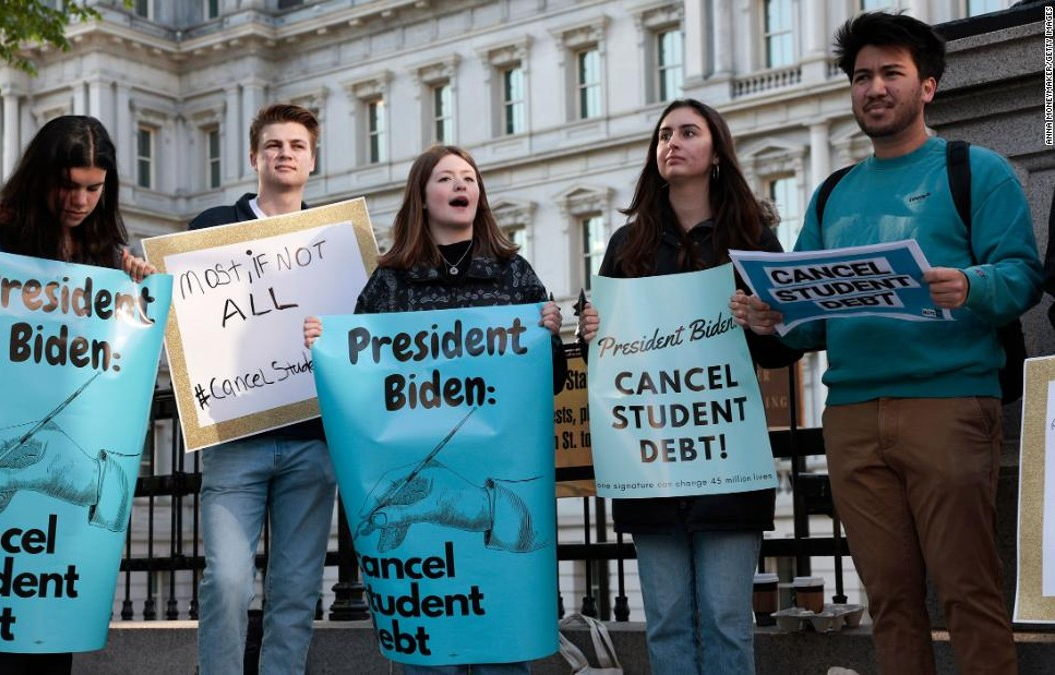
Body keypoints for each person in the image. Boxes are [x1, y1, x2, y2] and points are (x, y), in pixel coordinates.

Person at [732, 12, 1041, 675]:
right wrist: (772, 320)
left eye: (891, 73)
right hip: (850, 414)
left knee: (969, 591)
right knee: (890, 601)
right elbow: (813, 320)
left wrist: (971, 282)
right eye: (862, 76)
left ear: (927, 85)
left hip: (951, 403)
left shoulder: (975, 171)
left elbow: (1021, 275)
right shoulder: (833, 191)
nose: (874, 88)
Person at [304, 144, 566, 675]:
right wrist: (322, 344)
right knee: (428, 649)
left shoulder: (514, 274)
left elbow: (550, 382)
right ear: (422, 198)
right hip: (418, 481)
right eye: (446, 178)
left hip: (492, 482)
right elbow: (361, 384)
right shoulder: (389, 282)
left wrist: (552, 338)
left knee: (501, 643)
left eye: (468, 178)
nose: (460, 186)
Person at [576, 99, 801, 675]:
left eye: (688, 132)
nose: (672, 142)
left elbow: (783, 348)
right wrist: (591, 329)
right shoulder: (627, 245)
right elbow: (607, 352)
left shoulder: (753, 237)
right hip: (650, 465)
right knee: (669, 625)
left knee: (727, 622)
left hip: (726, 459)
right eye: (663, 135)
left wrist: (764, 320)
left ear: (716, 152)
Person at [0, 114, 155, 674]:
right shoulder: (1, 234)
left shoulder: (108, 250)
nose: (81, 199)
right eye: (69, 184)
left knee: (51, 617)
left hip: (66, 466)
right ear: (43, 178)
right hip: (10, 437)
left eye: (94, 187)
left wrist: (134, 280)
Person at [189, 103, 336, 675]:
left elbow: (361, 327)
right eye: (274, 145)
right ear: (254, 158)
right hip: (236, 435)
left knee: (296, 589)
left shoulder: (334, 238)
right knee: (226, 579)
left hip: (312, 439)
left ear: (312, 160)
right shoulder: (210, 230)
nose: (285, 154)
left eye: (297, 146)